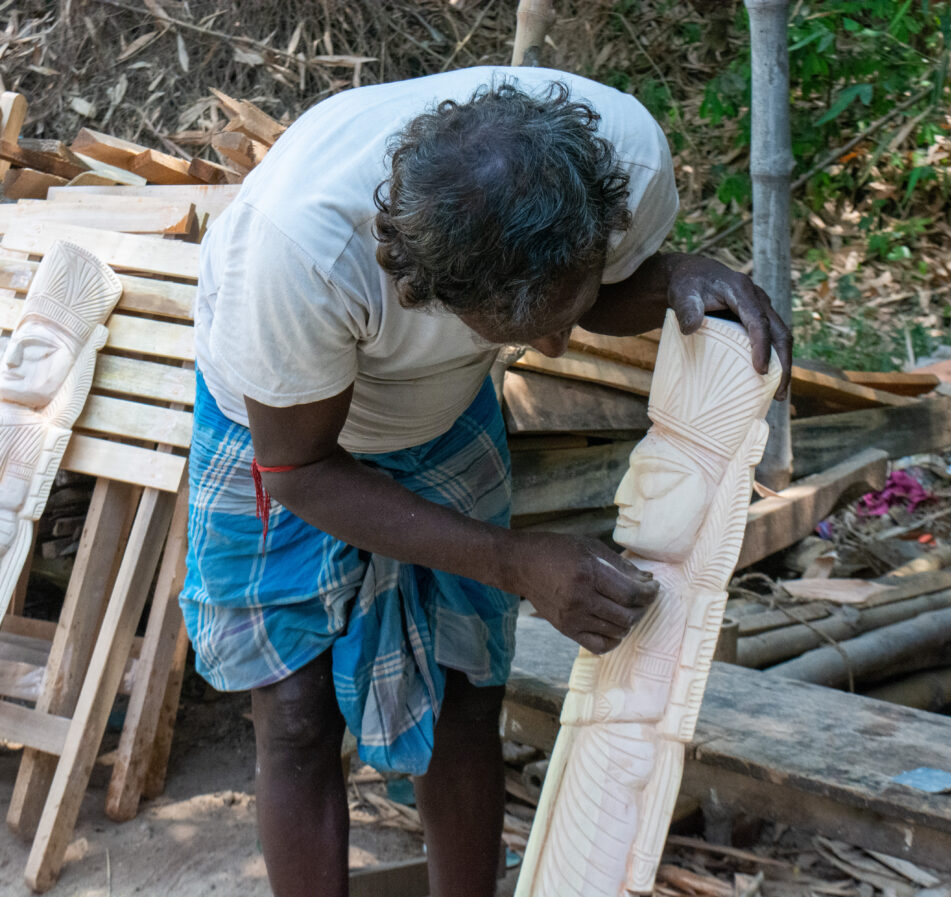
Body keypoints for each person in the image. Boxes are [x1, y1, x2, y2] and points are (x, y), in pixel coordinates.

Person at [180, 65, 792, 897]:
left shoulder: (628, 156)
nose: (559, 352)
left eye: (564, 314)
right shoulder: (305, 254)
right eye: (529, 331)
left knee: (467, 692)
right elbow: (301, 471)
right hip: (281, 424)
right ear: (427, 287)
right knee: (294, 714)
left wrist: (674, 278)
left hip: (439, 408)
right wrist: (512, 561)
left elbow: (603, 291)